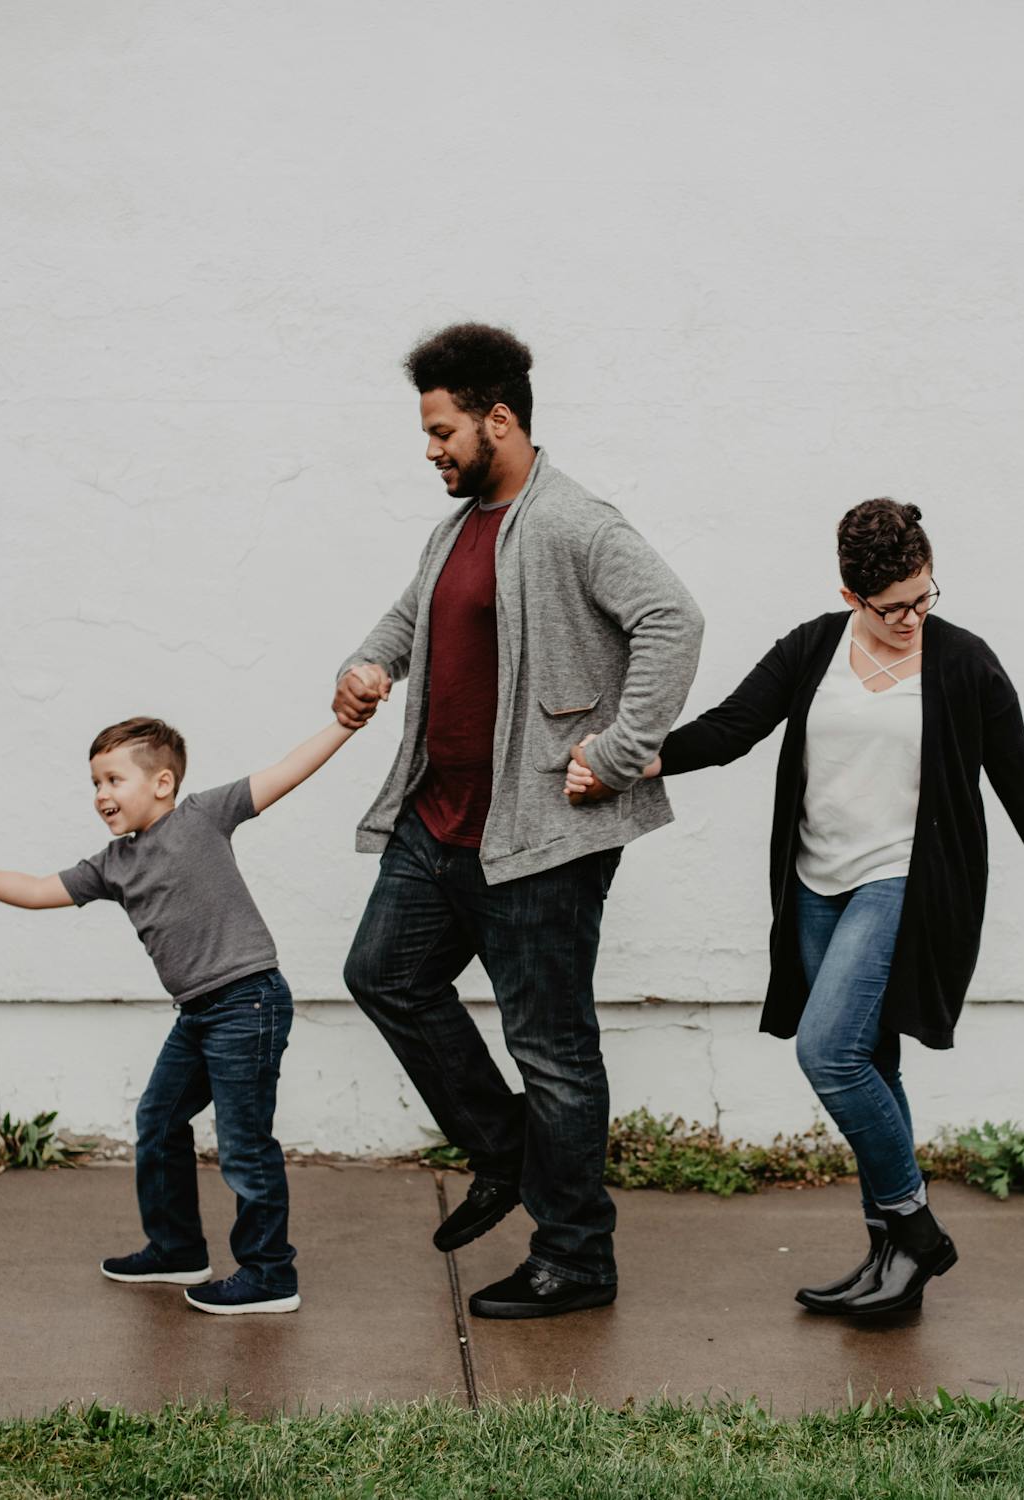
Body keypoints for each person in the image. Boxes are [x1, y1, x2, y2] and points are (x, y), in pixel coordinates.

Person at [567, 499, 1024, 1316]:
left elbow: (1019, 777)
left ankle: (916, 1231)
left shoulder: (963, 663)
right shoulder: (815, 647)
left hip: (903, 882)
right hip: (815, 884)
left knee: (829, 1054)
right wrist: (625, 762)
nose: (912, 618)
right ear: (852, 596)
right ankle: (891, 1265)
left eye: (925, 598)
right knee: (871, 1063)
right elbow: (732, 728)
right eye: (893, 608)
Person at [335, 323, 702, 1320]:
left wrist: (619, 752)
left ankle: (577, 1255)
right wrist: (368, 665)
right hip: (439, 824)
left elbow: (675, 620)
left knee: (552, 1047)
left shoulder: (574, 523)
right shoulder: (457, 527)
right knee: (384, 975)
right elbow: (412, 616)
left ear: (499, 419)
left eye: (442, 429)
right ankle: (505, 1154)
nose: (431, 448)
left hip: (538, 838)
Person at [0, 714, 357, 1314]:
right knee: (159, 1118)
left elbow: (286, 771)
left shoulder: (204, 815)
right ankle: (176, 1248)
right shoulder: (113, 864)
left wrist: (345, 724)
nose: (101, 795)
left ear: (162, 783)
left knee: (244, 1143)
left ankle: (270, 1273)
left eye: (114, 780)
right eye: (94, 783)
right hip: (198, 1013)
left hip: (248, 1002)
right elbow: (39, 888)